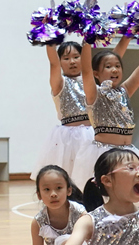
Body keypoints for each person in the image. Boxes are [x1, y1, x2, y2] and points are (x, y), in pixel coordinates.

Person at [71, 38, 139, 208]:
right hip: (103, 154)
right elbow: (85, 70)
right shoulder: (94, 94)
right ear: (96, 73)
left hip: (128, 153)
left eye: (117, 66)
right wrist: (87, 40)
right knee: (102, 203)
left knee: (128, 201)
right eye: (108, 66)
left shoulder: (125, 90)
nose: (114, 69)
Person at [30, 40, 125, 179]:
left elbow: (113, 57)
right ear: (60, 61)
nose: (72, 62)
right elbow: (53, 63)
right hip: (67, 139)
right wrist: (49, 36)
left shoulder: (92, 80)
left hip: (93, 134)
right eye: (66, 58)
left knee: (93, 175)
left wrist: (126, 36)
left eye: (76, 57)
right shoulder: (59, 83)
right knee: (67, 177)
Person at [30, 165, 89, 245]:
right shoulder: (38, 222)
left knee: (68, 243)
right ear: (39, 194)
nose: (53, 194)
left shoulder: (80, 213)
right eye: (46, 189)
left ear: (69, 190)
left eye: (58, 188)